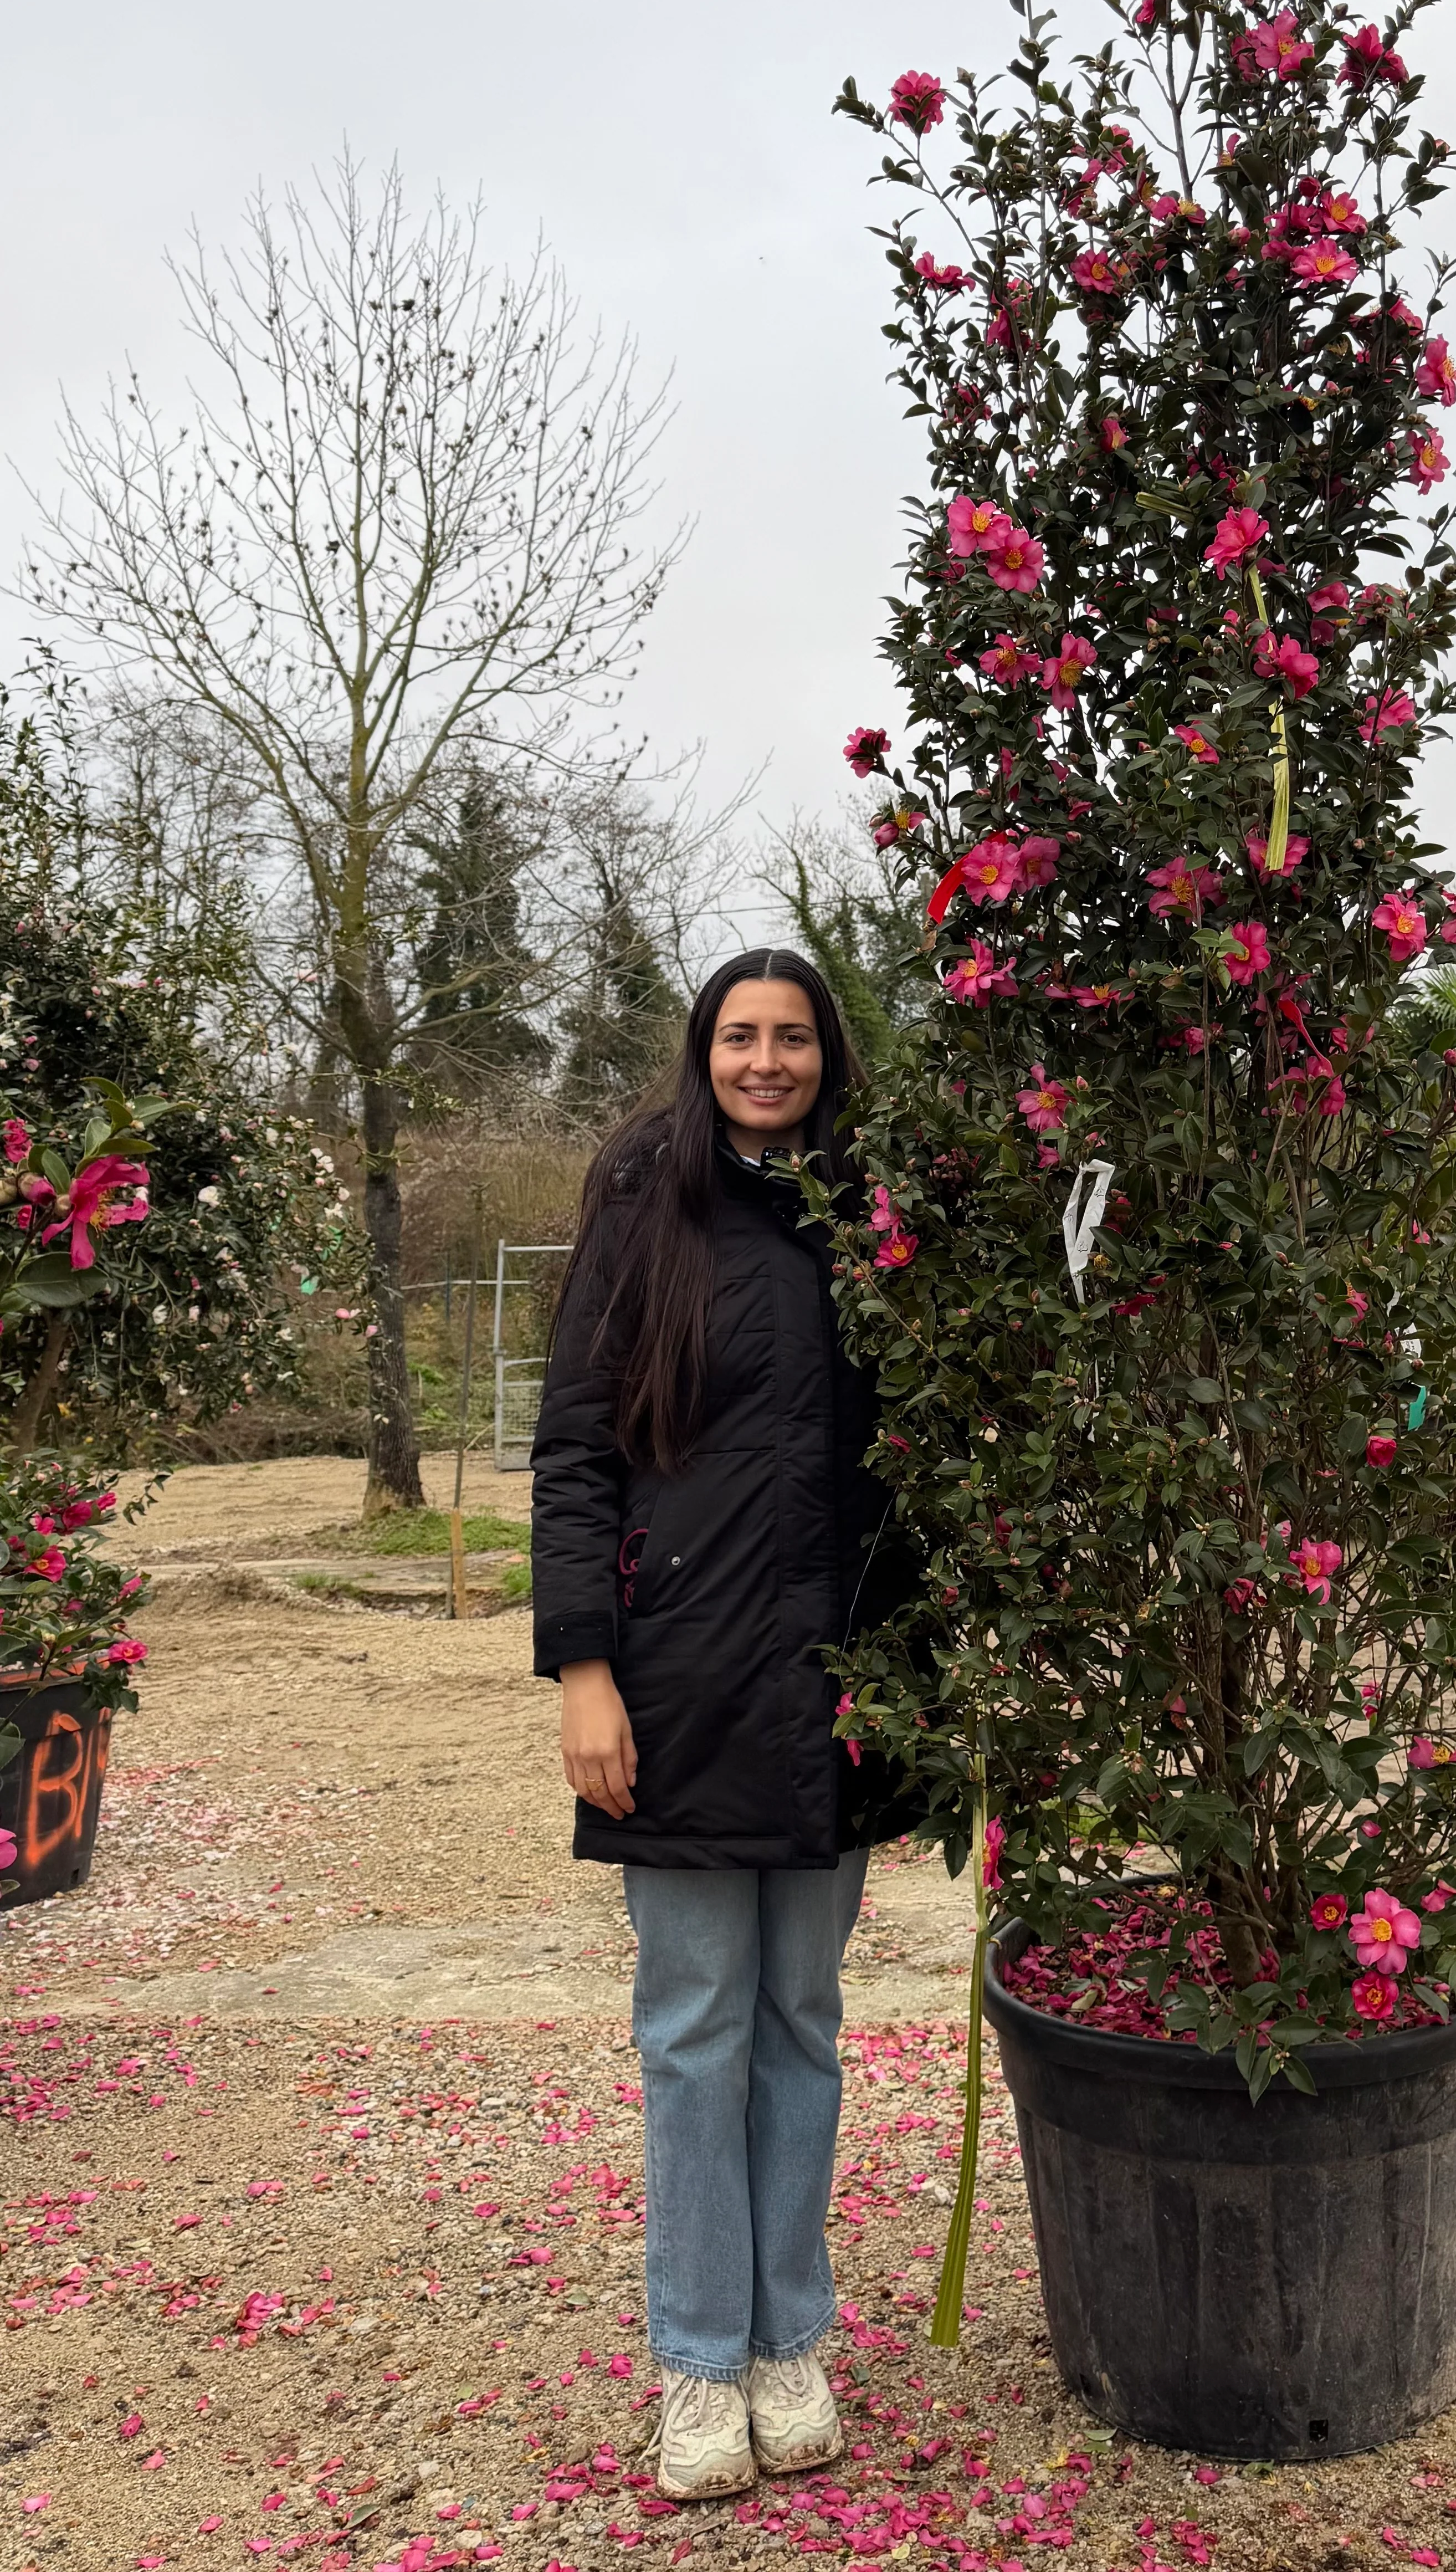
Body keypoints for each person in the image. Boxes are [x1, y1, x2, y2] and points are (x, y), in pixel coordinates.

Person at [531, 948, 921, 2501]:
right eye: (741, 1036)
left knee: (804, 2020)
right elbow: (576, 1453)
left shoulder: (875, 1224)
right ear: (704, 1053)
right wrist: (584, 1668)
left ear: (830, 1055)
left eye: (794, 1037)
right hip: (679, 1683)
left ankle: (789, 2341)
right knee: (696, 2029)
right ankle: (700, 2358)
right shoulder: (647, 1211)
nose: (768, 1061)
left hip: (840, 1679)